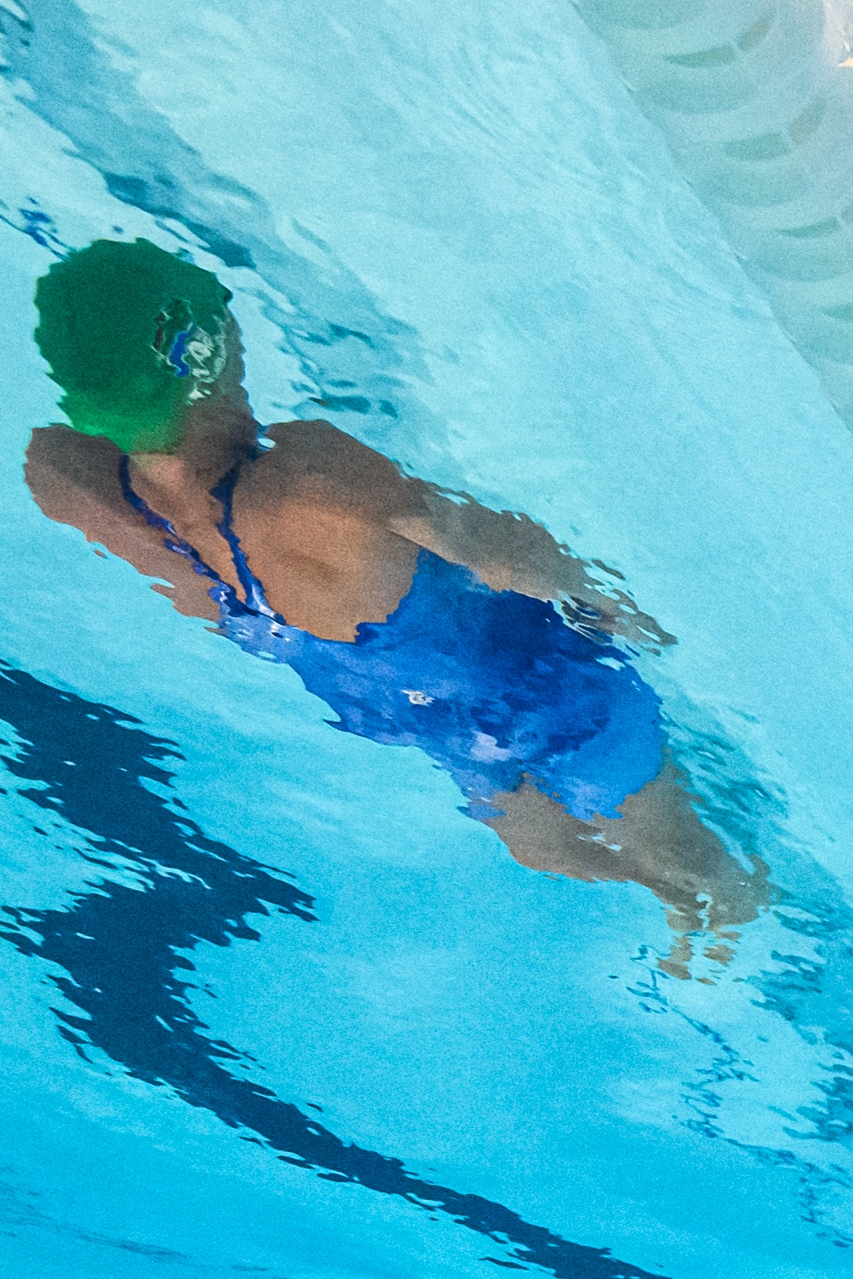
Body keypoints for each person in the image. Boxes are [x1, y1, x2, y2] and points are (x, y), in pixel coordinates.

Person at [25, 240, 769, 963]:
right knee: (689, 856)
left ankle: (664, 904)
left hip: (423, 727)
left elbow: (88, 438)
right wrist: (621, 607)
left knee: (544, 849)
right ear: (204, 352)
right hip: (552, 691)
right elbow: (509, 555)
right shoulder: (309, 480)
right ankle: (732, 917)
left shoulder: (71, 484)